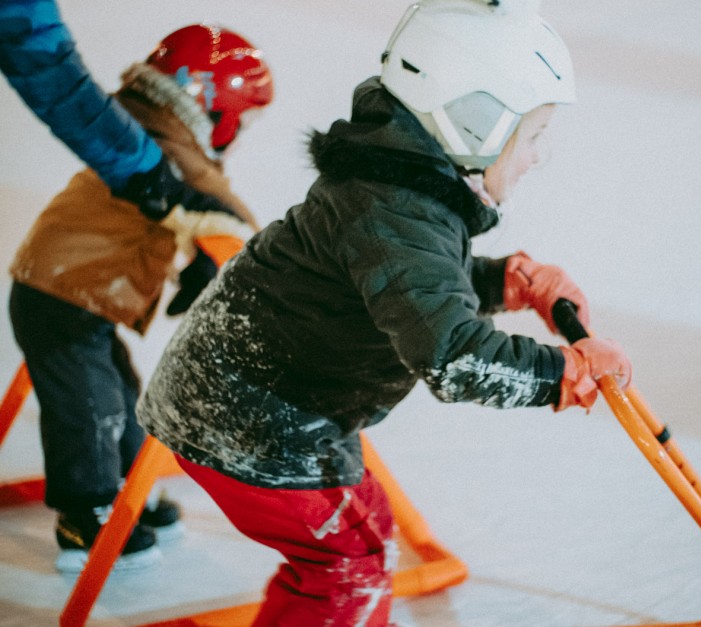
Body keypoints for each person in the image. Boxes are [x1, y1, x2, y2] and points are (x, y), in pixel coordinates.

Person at [137, 0, 631, 623]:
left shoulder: (399, 184)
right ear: (475, 122)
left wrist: (505, 281)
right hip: (254, 424)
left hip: (250, 395)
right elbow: (453, 358)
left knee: (363, 529)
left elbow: (402, 287)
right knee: (350, 563)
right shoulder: (399, 211)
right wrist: (569, 370)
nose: (538, 156)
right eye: (532, 136)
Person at [7, 23, 274, 573]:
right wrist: (246, 256)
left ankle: (129, 493)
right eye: (242, 120)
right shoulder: (170, 142)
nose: (239, 135)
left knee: (121, 391)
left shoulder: (142, 119)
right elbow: (222, 209)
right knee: (89, 406)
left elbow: (168, 216)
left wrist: (199, 264)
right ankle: (86, 515)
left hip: (75, 292)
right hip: (61, 292)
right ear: (213, 105)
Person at [0, 0, 238, 221]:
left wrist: (154, 176)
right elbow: (41, 54)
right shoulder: (200, 179)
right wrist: (155, 178)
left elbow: (35, 45)